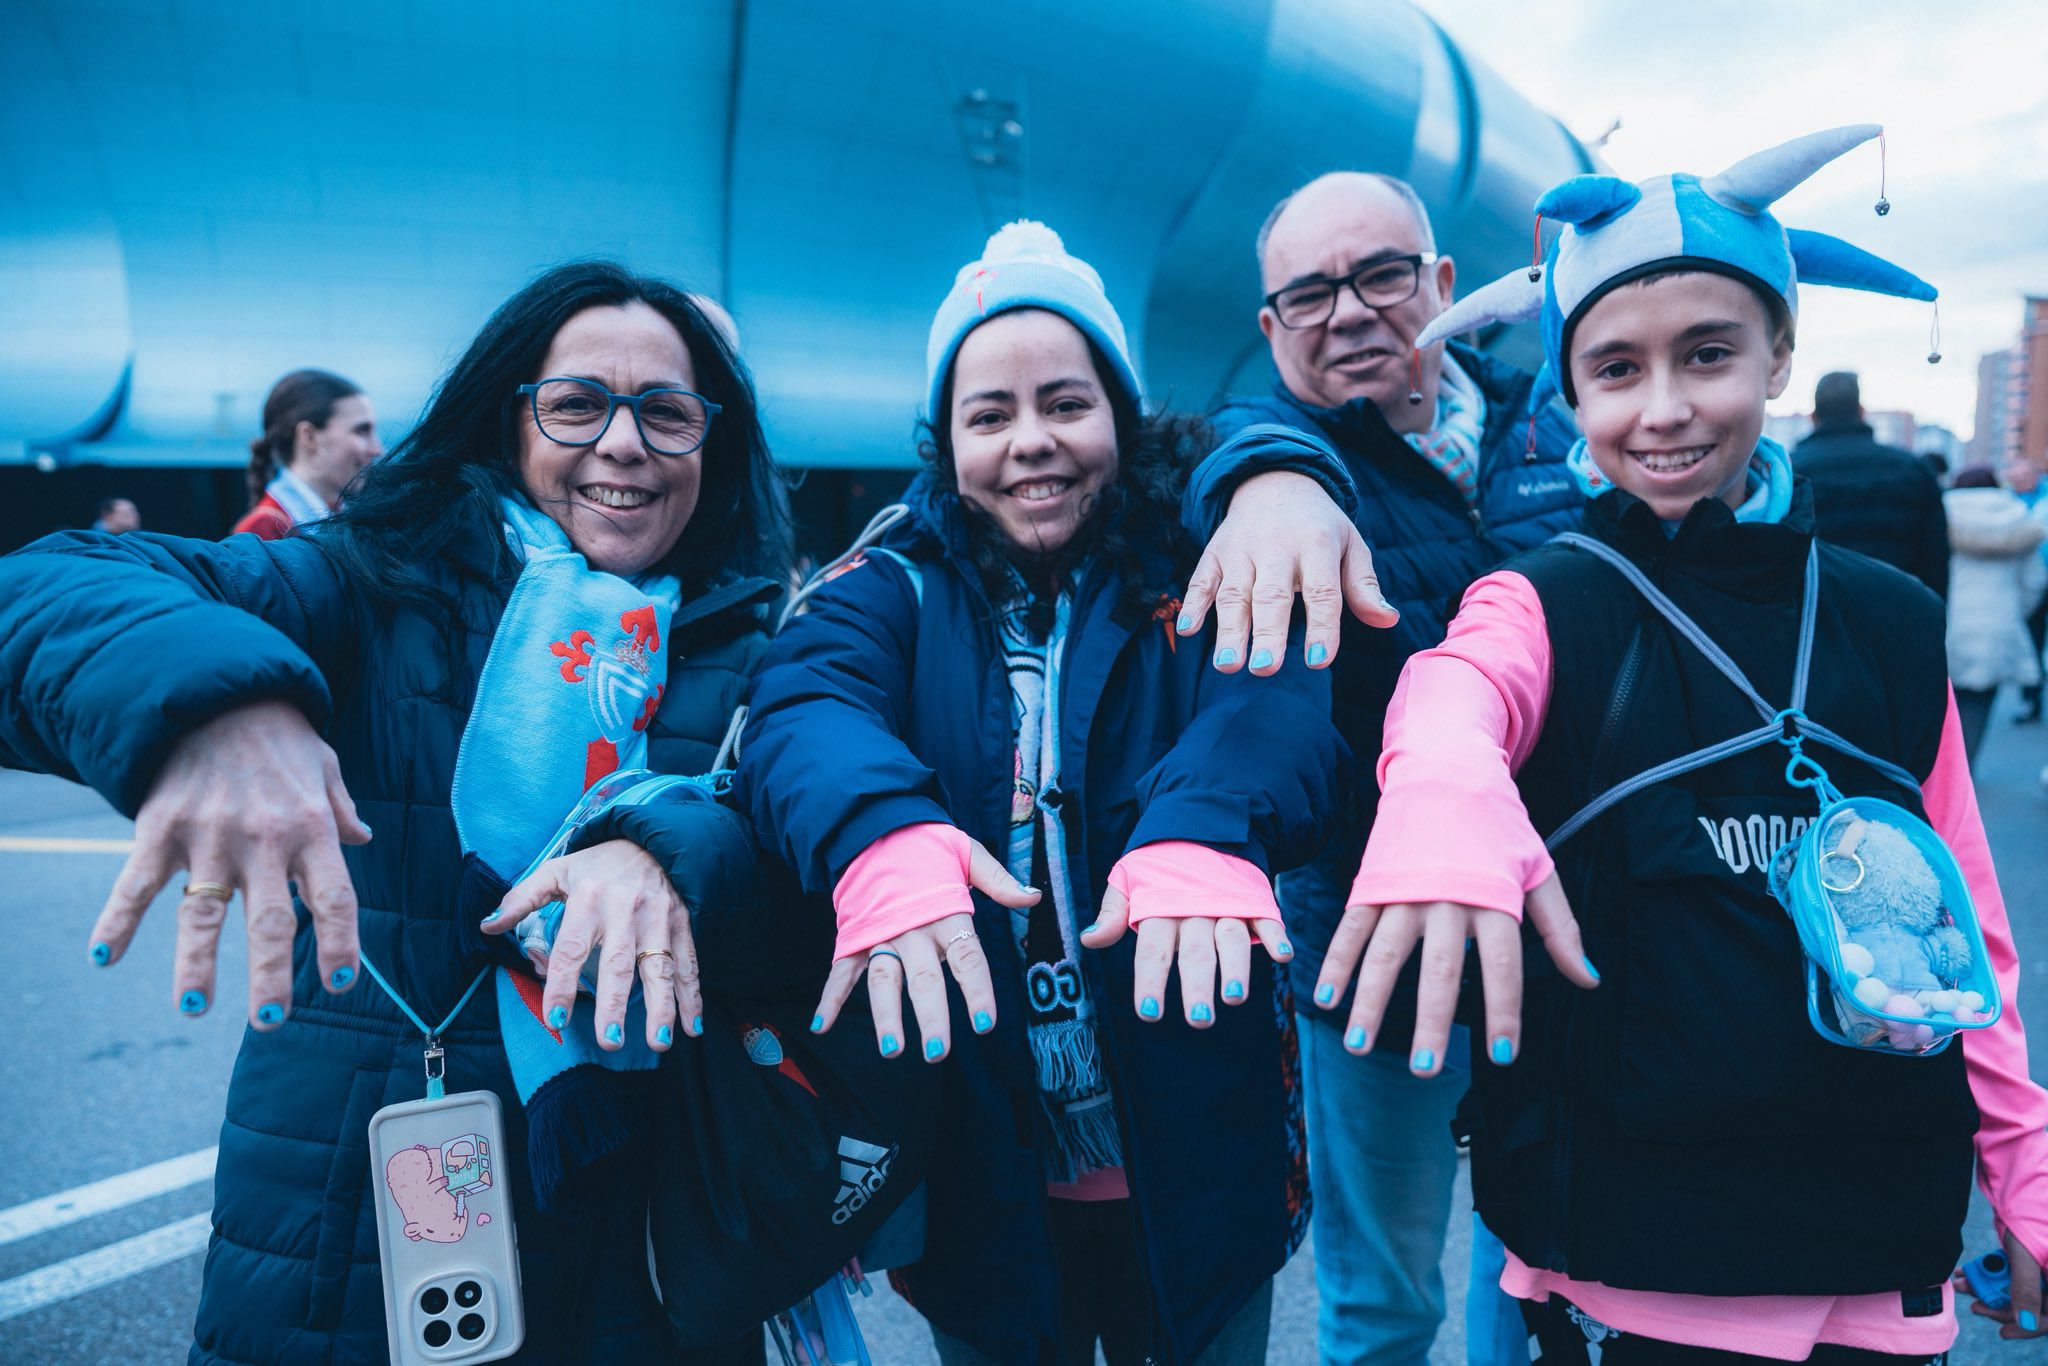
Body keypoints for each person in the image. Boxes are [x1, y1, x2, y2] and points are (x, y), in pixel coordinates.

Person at [1324, 125, 2048, 1360]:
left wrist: (2022, 1169)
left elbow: (1963, 912)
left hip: (1880, 1253)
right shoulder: (1542, 597)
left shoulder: (1886, 615)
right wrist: (1439, 805)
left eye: (1705, 354)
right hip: (1633, 1258)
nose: (1661, 409)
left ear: (1778, 357)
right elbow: (1453, 696)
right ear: (1569, 395)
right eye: (1614, 369)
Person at [0, 261, 795, 1363]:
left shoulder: (765, 645)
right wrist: (229, 701)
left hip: (652, 1240)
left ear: (713, 444)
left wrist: (662, 852)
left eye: (666, 414)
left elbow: (799, 897)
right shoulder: (373, 583)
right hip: (351, 1227)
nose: (623, 444)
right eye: (576, 405)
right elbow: (50, 583)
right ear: (506, 420)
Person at [737, 221, 1350, 1365]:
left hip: (1202, 1158)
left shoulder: (1194, 561)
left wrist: (1205, 823)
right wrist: (880, 831)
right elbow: (802, 701)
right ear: (944, 440)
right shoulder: (886, 584)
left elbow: (1274, 703)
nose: (1031, 443)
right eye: (989, 415)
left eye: (1065, 404)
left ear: (1120, 414)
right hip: (983, 1174)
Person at [1171, 170, 1582, 1364]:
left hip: (1562, 922)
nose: (1346, 312)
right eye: (1305, 293)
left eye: (1380, 275)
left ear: (1445, 284)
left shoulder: (1550, 427)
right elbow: (1228, 453)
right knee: (1383, 1293)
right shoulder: (1277, 458)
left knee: (1545, 1266)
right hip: (1370, 952)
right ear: (1267, 326)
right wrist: (1265, 482)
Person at [1792, 370, 1949, 597]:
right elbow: (1935, 558)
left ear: (1813, 417)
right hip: (1898, 607)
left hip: (1814, 614)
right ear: (1861, 412)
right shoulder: (1913, 470)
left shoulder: (1790, 472)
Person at [1944, 464, 2046, 759]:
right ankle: (1966, 772)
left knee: (1938, 707)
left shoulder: (1942, 515)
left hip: (1948, 623)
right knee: (1978, 705)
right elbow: (2034, 582)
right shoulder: (2019, 520)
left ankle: (1938, 776)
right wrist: (2013, 611)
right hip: (1998, 626)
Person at [232, 367, 384, 538]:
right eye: (362, 430)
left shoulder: (339, 518)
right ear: (309, 436)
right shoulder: (263, 530)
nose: (378, 450)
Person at [2007, 457, 2048, 723]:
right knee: (2032, 638)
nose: (2021, 481)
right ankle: (2030, 699)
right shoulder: (2006, 504)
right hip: (2030, 580)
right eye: (2016, 476)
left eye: (2025, 475)